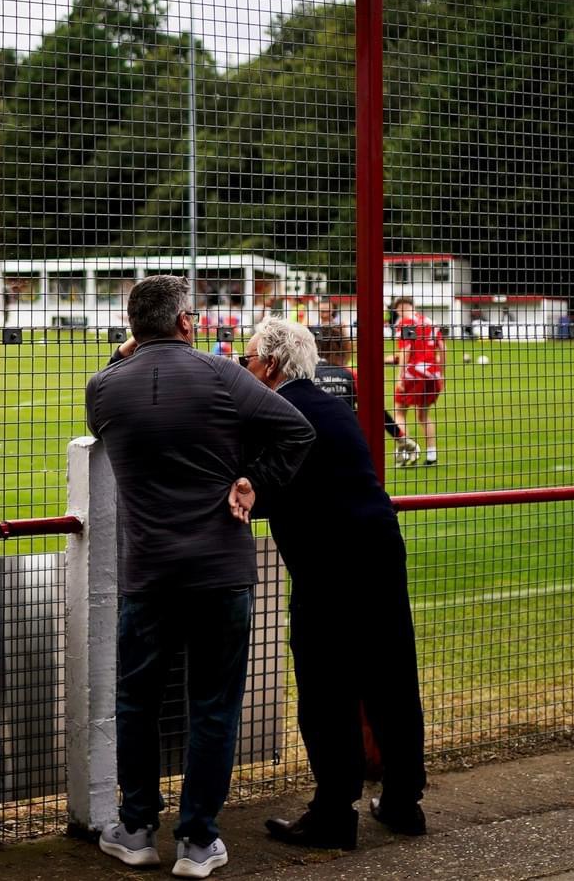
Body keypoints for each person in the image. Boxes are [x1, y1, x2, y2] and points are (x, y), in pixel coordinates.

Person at [87, 274, 314, 878]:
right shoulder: (222, 374)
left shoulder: (104, 388)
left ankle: (136, 828)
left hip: (150, 572)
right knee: (213, 705)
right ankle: (197, 839)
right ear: (187, 323)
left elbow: (116, 375)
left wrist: (129, 350)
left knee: (136, 702)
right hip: (220, 569)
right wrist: (255, 480)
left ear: (133, 330)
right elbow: (297, 428)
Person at [234, 318, 428, 849]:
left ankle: (332, 812)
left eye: (247, 359)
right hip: (378, 545)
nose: (241, 367)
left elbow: (261, 492)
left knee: (326, 684)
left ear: (269, 365)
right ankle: (404, 799)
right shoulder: (333, 407)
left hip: (329, 561)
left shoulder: (276, 414)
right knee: (390, 671)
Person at [311, 316, 413, 463]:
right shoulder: (351, 375)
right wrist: (400, 437)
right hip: (348, 440)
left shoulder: (306, 374)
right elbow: (375, 410)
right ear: (343, 347)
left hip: (313, 441)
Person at [390, 298, 445, 466]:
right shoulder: (429, 322)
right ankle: (431, 455)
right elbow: (442, 348)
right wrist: (442, 374)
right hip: (431, 374)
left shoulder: (405, 323)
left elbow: (406, 349)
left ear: (398, 309)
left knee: (400, 411)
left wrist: (400, 376)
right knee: (423, 415)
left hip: (412, 374)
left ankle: (406, 452)